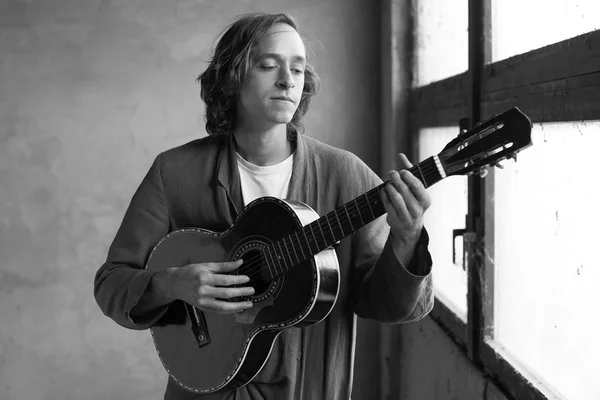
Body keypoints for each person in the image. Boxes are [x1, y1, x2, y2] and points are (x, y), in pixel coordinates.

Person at [94, 12, 434, 400]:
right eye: (269, 65)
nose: (288, 80)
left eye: (298, 69)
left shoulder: (346, 175)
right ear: (233, 76)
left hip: (307, 389)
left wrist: (407, 236)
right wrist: (174, 283)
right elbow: (111, 283)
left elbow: (392, 306)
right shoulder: (174, 173)